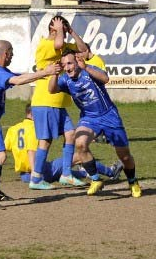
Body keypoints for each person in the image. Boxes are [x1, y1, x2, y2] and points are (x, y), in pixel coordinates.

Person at [0, 40, 59, 210]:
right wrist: (44, 72)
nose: (12, 56)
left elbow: (19, 76)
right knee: (0, 156)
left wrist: (44, 73)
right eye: (12, 53)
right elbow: (17, 80)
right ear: (6, 54)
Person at [48, 49, 142, 198]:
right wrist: (54, 73)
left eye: (70, 63)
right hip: (89, 118)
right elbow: (51, 90)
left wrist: (86, 67)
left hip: (109, 115)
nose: (67, 67)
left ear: (77, 62)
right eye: (64, 64)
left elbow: (105, 79)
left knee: (124, 156)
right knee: (79, 143)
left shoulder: (89, 70)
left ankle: (132, 181)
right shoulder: (65, 79)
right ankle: (95, 179)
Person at [29, 15, 89, 190]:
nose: (64, 36)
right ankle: (36, 178)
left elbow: (83, 50)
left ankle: (66, 174)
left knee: (70, 134)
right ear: (52, 30)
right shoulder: (45, 45)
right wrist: (60, 31)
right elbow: (58, 44)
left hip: (59, 102)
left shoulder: (63, 46)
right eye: (60, 30)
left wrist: (72, 32)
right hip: (45, 100)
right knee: (45, 141)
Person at [4, 104, 124, 184]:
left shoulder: (13, 129)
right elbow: (31, 151)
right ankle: (111, 172)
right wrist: (36, 176)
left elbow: (4, 151)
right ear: (32, 114)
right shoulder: (34, 128)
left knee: (59, 169)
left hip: (24, 175)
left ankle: (83, 173)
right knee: (79, 156)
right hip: (39, 172)